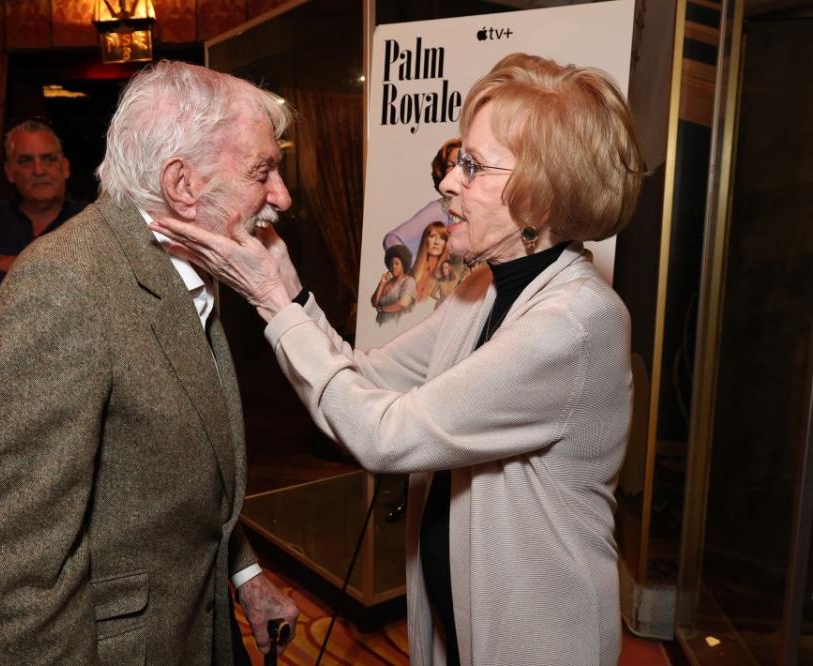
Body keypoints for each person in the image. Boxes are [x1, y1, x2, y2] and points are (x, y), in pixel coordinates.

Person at [149, 52, 643, 665]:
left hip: (536, 630)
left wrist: (273, 304)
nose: (447, 182)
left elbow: (387, 436)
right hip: (458, 611)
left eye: (472, 165)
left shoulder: (576, 321)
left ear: (541, 199)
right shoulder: (480, 288)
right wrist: (294, 292)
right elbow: (366, 378)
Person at [0, 61, 298, 665]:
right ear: (182, 185)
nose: (281, 196)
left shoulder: (181, 267)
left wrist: (245, 577)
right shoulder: (63, 288)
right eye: (263, 171)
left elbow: (178, 474)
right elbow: (13, 575)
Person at [0, 119, 87, 316]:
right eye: (26, 161)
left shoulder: (90, 221)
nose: (39, 170)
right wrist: (57, 278)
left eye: (48, 159)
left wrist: (13, 265)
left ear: (65, 168)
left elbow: (98, 289)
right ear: (10, 172)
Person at [381, 138, 460, 255]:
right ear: (443, 171)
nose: (457, 170)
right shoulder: (441, 208)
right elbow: (392, 239)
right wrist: (414, 270)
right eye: (450, 165)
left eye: (466, 164)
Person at [371, 244, 416, 325]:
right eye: (391, 263)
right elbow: (374, 304)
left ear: (403, 265)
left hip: (396, 325)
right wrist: (381, 284)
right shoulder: (386, 282)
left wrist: (382, 309)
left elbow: (403, 303)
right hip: (379, 325)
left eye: (397, 263)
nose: (393, 266)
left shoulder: (409, 281)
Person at [410, 221, 451, 301]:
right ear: (425, 240)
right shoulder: (410, 273)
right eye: (432, 236)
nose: (436, 242)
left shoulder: (447, 275)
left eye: (442, 238)